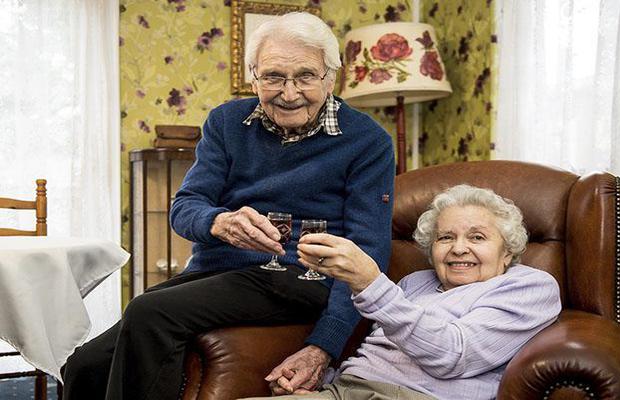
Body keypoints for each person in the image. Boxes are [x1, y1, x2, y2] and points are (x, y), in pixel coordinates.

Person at [61, 12, 394, 400]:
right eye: (273, 77)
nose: (289, 93)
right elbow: (185, 207)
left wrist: (325, 345)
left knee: (149, 310)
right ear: (253, 78)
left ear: (330, 78)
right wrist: (219, 222)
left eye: (305, 76)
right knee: (83, 365)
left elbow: (368, 252)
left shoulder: (368, 142)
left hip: (301, 277)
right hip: (218, 272)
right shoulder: (226, 122)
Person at [246, 184, 561, 400]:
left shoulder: (529, 287)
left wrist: (371, 283)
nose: (458, 248)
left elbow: (454, 355)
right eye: (445, 238)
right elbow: (382, 358)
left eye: (477, 237)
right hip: (343, 391)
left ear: (508, 251)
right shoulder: (415, 283)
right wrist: (314, 381)